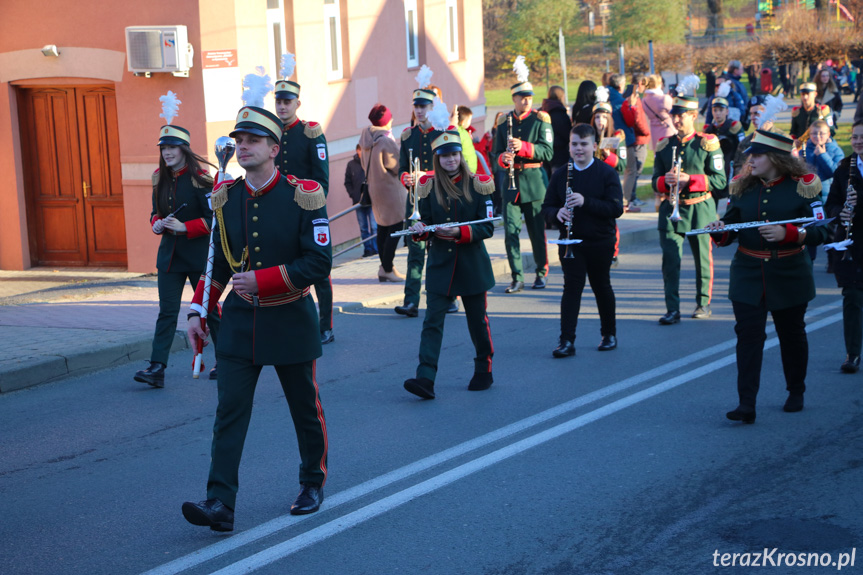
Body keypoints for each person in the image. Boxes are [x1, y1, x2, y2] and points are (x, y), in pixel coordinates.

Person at [181, 105, 331, 530]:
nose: (241, 147)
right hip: (241, 325)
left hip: (289, 317)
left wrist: (264, 281)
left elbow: (319, 262)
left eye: (251, 141)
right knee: (229, 412)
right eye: (239, 140)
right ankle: (220, 503)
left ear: (274, 148)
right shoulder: (226, 197)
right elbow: (218, 263)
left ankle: (312, 482)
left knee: (305, 408)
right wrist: (199, 310)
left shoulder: (304, 195)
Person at [705, 130, 827, 423]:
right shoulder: (743, 187)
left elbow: (823, 231)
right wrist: (719, 228)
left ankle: (795, 390)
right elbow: (731, 227)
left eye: (757, 155)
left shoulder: (805, 187)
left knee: (792, 335)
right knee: (748, 338)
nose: (751, 160)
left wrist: (790, 234)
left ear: (775, 158)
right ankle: (746, 403)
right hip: (748, 273)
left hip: (789, 273)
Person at [402, 130, 496, 399]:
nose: (451, 160)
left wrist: (461, 233)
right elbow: (425, 224)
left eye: (455, 154)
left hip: (471, 263)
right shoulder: (428, 187)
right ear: (438, 159)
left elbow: (487, 227)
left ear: (461, 156)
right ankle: (426, 378)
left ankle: (483, 369)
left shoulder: (480, 184)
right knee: (432, 322)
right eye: (445, 156)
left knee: (477, 321)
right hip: (441, 264)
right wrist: (419, 228)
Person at [135, 122, 220, 388]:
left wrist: (186, 227)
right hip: (170, 257)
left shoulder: (202, 178)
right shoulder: (159, 177)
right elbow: (154, 213)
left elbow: (214, 219)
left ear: (184, 149)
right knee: (167, 312)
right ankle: (157, 367)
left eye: (172, 147)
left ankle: (228, 359)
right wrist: (157, 224)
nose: (167, 152)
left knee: (210, 310)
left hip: (197, 255)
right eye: (164, 148)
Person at [541, 124, 623, 358]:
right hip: (570, 242)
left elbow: (616, 208)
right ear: (569, 145)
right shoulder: (560, 174)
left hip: (599, 241)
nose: (579, 149)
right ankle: (566, 340)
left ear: (594, 146)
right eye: (574, 144)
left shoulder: (606, 173)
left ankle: (609, 334)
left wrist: (586, 202)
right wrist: (556, 214)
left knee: (601, 286)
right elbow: (546, 207)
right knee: (571, 289)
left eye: (584, 144)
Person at [272, 74, 335, 345]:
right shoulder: (270, 133)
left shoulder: (311, 132)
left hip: (308, 208)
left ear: (298, 102)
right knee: (280, 267)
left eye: (287, 102)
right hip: (278, 209)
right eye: (279, 101)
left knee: (319, 270)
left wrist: (307, 202)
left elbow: (321, 180)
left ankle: (326, 326)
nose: (282, 107)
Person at [652, 95, 726, 324]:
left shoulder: (707, 143)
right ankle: (672, 308)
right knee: (670, 262)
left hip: (700, 208)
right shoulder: (665, 145)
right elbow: (655, 180)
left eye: (680, 115)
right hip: (672, 209)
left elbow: (721, 181)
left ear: (693, 116)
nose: (676, 119)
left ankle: (703, 303)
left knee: (703, 259)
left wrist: (690, 180)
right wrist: (667, 181)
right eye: (673, 115)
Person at [493, 76, 553, 293]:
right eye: (522, 97)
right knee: (510, 232)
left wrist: (525, 147)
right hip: (510, 184)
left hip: (534, 181)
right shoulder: (503, 121)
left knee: (537, 232)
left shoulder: (541, 120)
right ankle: (517, 276)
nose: (527, 101)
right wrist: (503, 159)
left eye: (529, 97)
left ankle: (541, 272)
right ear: (514, 98)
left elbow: (548, 152)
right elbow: (495, 153)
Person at [395, 83, 446, 317]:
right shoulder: (408, 135)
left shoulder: (442, 132)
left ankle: (449, 296)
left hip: (438, 197)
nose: (420, 111)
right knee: (414, 251)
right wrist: (407, 177)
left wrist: (425, 175)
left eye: (424, 106)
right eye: (416, 106)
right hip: (415, 200)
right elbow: (402, 168)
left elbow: (452, 167)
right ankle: (411, 301)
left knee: (442, 249)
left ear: (432, 107)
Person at [824, 121, 863, 373]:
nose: (858, 141)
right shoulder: (843, 169)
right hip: (852, 242)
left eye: (862, 137)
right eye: (855, 137)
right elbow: (831, 205)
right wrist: (843, 213)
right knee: (852, 298)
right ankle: (853, 353)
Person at [359, 104, 408, 283]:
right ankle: (387, 267)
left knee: (382, 229)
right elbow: (396, 166)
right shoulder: (386, 141)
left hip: (375, 190)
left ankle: (385, 267)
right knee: (395, 228)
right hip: (390, 191)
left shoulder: (366, 139)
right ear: (386, 121)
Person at [702, 97, 744, 206]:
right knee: (713, 191)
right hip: (714, 165)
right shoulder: (709, 129)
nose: (718, 114)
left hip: (731, 163)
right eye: (715, 110)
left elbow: (742, 146)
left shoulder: (734, 126)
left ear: (727, 111)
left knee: (732, 192)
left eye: (721, 110)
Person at [620, 73, 650, 208]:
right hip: (639, 138)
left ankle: (631, 196)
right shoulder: (633, 98)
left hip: (638, 138)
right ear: (640, 84)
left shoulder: (632, 97)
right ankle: (631, 197)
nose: (645, 87)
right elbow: (637, 120)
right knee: (635, 170)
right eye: (644, 84)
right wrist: (646, 132)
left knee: (633, 170)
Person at [344, 144, 378, 258]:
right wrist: (353, 195)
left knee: (374, 226)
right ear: (357, 151)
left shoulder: (369, 162)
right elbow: (347, 182)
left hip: (371, 200)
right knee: (363, 227)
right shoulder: (351, 165)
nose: (362, 152)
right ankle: (367, 250)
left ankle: (375, 249)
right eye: (360, 150)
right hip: (358, 202)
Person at [541, 85, 572, 175]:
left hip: (546, 153)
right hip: (559, 154)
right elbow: (567, 134)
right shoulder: (559, 114)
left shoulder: (544, 110)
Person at [642, 74, 676, 152]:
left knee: (658, 156)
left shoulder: (644, 100)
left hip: (654, 131)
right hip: (667, 129)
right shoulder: (664, 98)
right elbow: (674, 111)